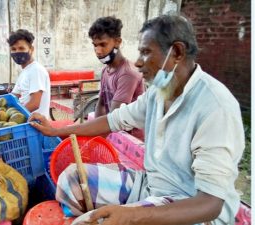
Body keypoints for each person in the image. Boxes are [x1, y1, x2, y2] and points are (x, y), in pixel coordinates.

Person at [29, 15, 245, 225]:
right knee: (72, 179)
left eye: (145, 53)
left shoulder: (216, 107)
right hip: (150, 185)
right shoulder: (157, 93)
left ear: (177, 52)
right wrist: (55, 130)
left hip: (187, 205)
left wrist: (131, 216)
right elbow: (113, 120)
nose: (139, 62)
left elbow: (210, 204)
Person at [89, 16, 144, 140]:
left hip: (131, 141)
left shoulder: (127, 74)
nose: (98, 51)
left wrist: (96, 137)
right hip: (115, 134)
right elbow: (101, 104)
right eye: (95, 45)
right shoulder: (105, 70)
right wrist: (96, 136)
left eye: (103, 45)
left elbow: (114, 117)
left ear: (118, 42)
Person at [7, 29, 50, 117]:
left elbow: (34, 103)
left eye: (21, 48)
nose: (17, 52)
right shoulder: (25, 71)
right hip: (26, 120)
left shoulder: (36, 70)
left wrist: (13, 117)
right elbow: (14, 96)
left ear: (31, 49)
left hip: (35, 124)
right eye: (13, 49)